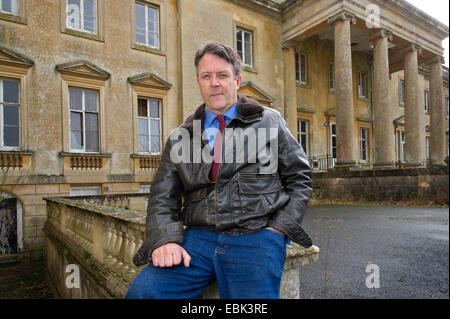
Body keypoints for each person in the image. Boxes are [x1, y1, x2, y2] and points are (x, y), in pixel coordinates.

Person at [126, 42, 312, 299]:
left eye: (222, 75)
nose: (214, 83)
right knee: (142, 294)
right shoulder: (181, 136)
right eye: (206, 76)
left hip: (255, 236)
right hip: (198, 239)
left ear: (237, 80)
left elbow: (299, 177)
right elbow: (162, 197)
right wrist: (165, 238)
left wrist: (279, 228)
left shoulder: (269, 121)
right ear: (199, 82)